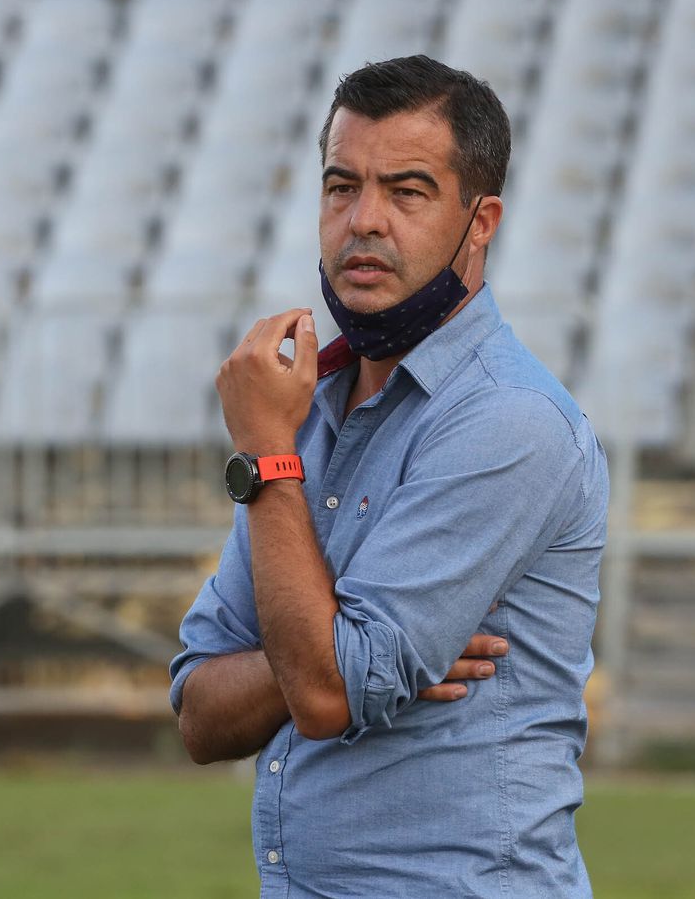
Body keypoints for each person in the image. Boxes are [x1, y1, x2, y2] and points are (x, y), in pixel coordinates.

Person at [170, 55, 608, 898]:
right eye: (341, 187)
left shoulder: (508, 419)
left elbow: (329, 695)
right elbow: (198, 712)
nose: (363, 220)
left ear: (481, 222)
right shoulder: (308, 407)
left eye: (406, 192)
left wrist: (266, 460)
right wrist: (328, 652)